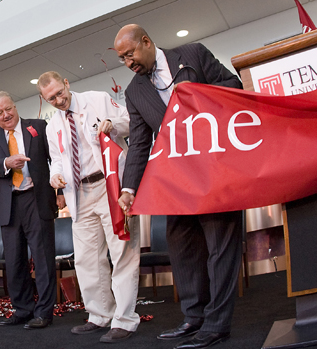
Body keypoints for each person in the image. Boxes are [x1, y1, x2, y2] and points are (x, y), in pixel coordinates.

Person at [114, 24, 243, 349]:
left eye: (130, 54)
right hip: (178, 177)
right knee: (181, 245)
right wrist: (129, 188)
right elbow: (140, 143)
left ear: (147, 41)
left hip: (215, 166)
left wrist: (200, 103)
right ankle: (193, 317)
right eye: (122, 59)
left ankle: (217, 324)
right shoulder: (134, 91)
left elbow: (233, 85)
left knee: (219, 247)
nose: (128, 62)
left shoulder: (193, 55)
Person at [37, 71, 141, 343]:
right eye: (51, 98)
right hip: (79, 193)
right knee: (87, 259)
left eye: (60, 92)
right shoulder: (52, 126)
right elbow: (58, 159)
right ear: (44, 99)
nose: (58, 100)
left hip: (110, 186)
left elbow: (131, 123)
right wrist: (54, 177)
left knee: (122, 252)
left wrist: (112, 124)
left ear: (67, 83)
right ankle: (99, 315)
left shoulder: (97, 99)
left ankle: (126, 319)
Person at [0, 91, 58, 329]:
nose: (6, 115)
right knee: (14, 261)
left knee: (43, 257)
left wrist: (61, 191)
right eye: (0, 113)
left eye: (8, 109)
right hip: (9, 204)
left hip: (36, 198)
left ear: (15, 107)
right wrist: (6, 163)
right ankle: (23, 309)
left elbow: (54, 157)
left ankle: (44, 312)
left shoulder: (37, 126)